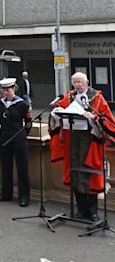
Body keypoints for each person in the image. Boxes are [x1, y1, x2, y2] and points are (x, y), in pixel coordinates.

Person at [49, 72, 115, 222]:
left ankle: (92, 211)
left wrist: (95, 118)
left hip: (90, 142)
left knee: (91, 176)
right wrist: (56, 112)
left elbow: (108, 121)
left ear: (87, 82)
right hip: (73, 142)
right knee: (75, 175)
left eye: (80, 82)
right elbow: (60, 110)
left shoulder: (97, 97)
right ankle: (80, 209)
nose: (78, 85)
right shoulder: (69, 96)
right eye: (75, 82)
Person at [0, 78, 30, 207]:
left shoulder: (22, 104)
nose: (5, 93)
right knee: (6, 166)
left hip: (19, 138)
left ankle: (24, 196)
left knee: (22, 168)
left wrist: (22, 135)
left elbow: (28, 122)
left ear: (14, 88)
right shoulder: (1, 103)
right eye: (3, 90)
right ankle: (6, 194)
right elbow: (1, 120)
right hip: (5, 137)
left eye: (8, 90)